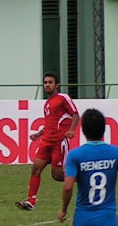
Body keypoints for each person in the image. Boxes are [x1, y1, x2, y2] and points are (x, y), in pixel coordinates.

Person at [15, 72, 79, 211]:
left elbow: (75, 114)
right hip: (46, 142)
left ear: (57, 85)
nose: (47, 85)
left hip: (59, 142)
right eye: (45, 83)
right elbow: (50, 122)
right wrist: (39, 134)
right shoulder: (47, 103)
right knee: (36, 168)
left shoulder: (63, 98)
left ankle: (82, 178)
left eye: (50, 82)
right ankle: (31, 201)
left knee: (57, 176)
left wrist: (72, 130)